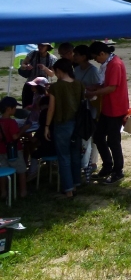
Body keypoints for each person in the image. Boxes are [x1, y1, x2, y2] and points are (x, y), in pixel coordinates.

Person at [89, 41, 129, 184]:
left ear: (102, 54)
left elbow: (111, 87)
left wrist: (94, 92)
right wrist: (93, 87)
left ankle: (118, 170)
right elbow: (105, 84)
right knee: (99, 137)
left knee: (113, 141)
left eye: (96, 58)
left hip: (116, 108)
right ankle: (107, 166)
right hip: (108, 107)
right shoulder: (108, 64)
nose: (96, 61)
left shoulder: (115, 64)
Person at [45, 58, 84, 198]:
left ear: (59, 71)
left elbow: (51, 109)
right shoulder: (79, 84)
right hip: (77, 124)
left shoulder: (56, 87)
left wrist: (47, 126)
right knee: (75, 155)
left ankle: (68, 189)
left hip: (62, 124)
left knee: (64, 157)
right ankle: (76, 183)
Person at [73, 44, 100, 180]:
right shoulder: (76, 69)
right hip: (80, 107)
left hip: (92, 107)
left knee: (92, 134)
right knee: (83, 135)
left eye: (76, 54)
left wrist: (85, 89)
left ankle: (93, 162)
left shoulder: (93, 71)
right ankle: (84, 161)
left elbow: (98, 88)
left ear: (84, 56)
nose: (74, 56)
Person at [0, 97, 28, 200]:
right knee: (21, 170)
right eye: (14, 107)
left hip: (1, 150)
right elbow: (15, 136)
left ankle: (3, 192)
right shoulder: (11, 122)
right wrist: (23, 129)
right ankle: (23, 192)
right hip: (14, 151)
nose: (15, 110)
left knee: (3, 172)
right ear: (9, 109)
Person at [19, 43, 56, 108]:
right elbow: (22, 65)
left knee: (40, 106)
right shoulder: (33, 54)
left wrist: (45, 68)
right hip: (30, 84)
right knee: (27, 105)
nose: (40, 47)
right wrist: (26, 66)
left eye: (43, 46)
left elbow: (52, 74)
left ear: (47, 47)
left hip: (43, 87)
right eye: (39, 45)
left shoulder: (52, 58)